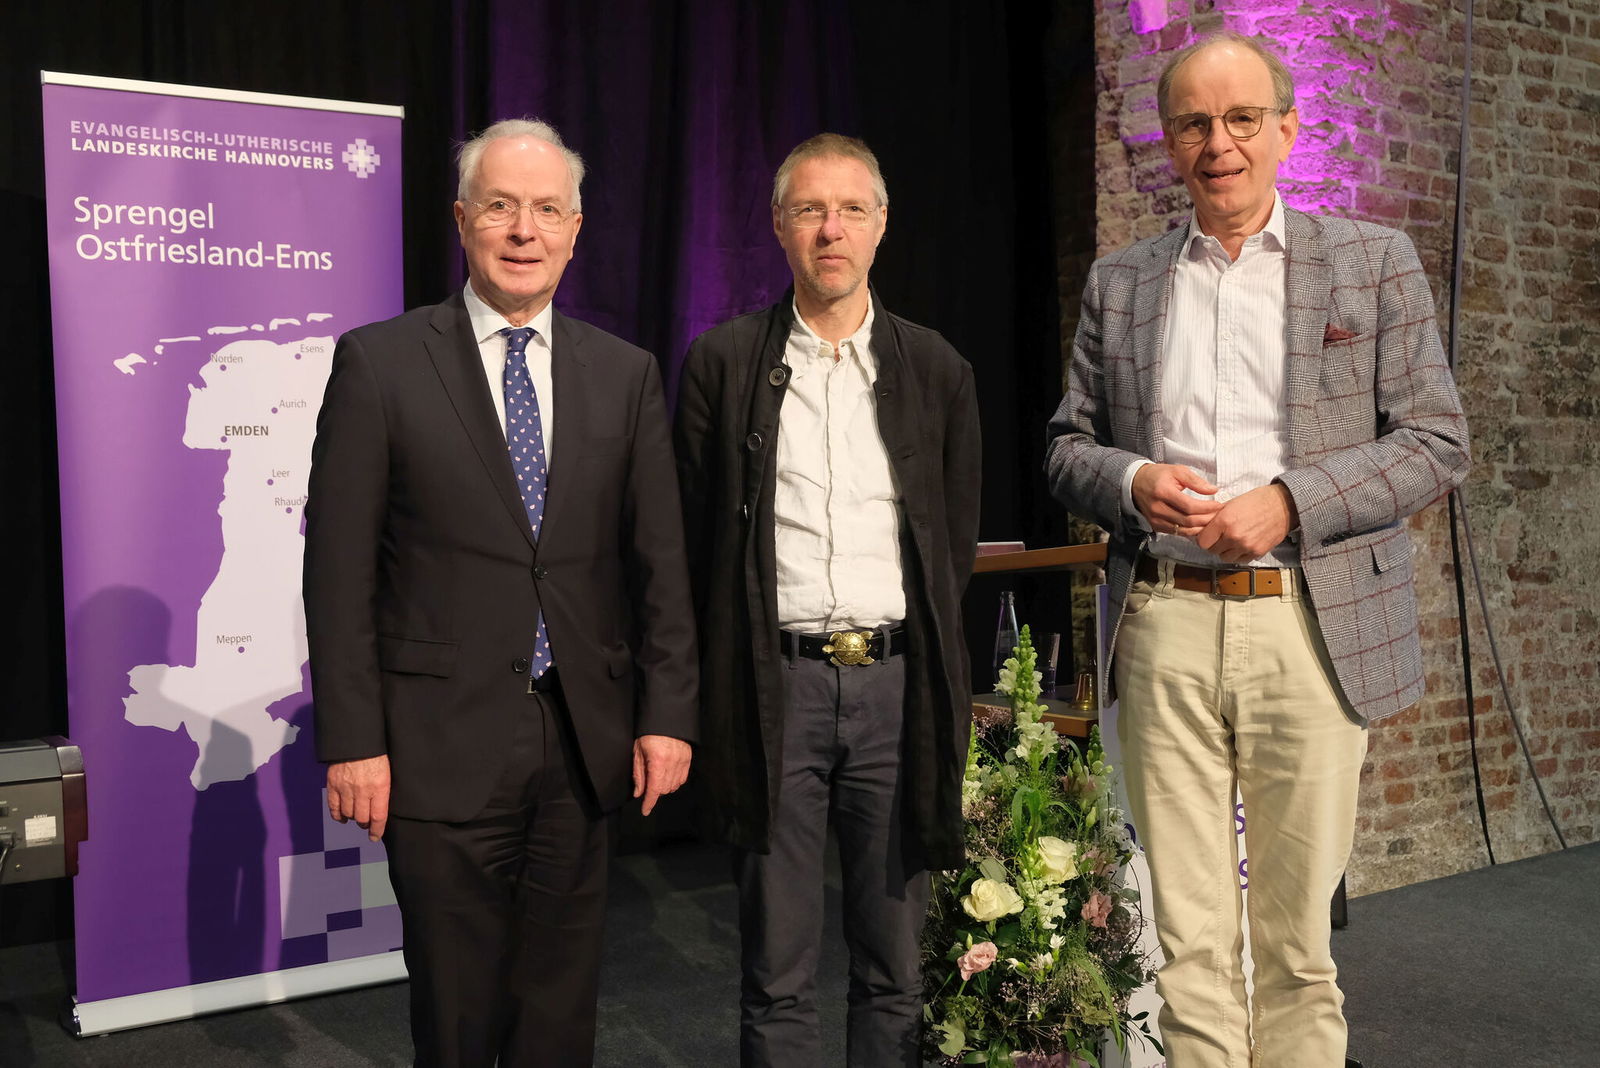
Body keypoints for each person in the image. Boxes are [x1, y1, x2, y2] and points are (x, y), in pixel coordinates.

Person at [1045, 33, 1469, 1068]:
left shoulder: (1371, 262)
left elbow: (1435, 442)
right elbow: (1066, 447)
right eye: (1193, 122)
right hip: (1162, 623)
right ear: (1168, 141)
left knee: (1294, 947)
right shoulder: (1123, 281)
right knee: (1186, 947)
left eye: (1240, 119)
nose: (1217, 143)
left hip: (1308, 626)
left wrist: (1291, 500)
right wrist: (1132, 483)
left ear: (1286, 129)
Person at [303, 118, 697, 1068]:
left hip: (580, 735)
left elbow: (659, 562)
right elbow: (339, 571)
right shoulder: (381, 363)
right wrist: (355, 740)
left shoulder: (626, 374)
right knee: (458, 1007)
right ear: (462, 220)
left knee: (561, 1008)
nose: (525, 230)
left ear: (575, 230)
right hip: (437, 740)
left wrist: (669, 713)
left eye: (547, 210)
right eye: (502, 207)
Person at [673, 133, 981, 1067]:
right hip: (779, 691)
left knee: (894, 963)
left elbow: (949, 551)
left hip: (897, 690)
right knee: (777, 966)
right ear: (779, 227)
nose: (830, 229)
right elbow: (695, 542)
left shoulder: (936, 370)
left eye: (850, 209)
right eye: (810, 210)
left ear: (881, 226)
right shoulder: (723, 365)